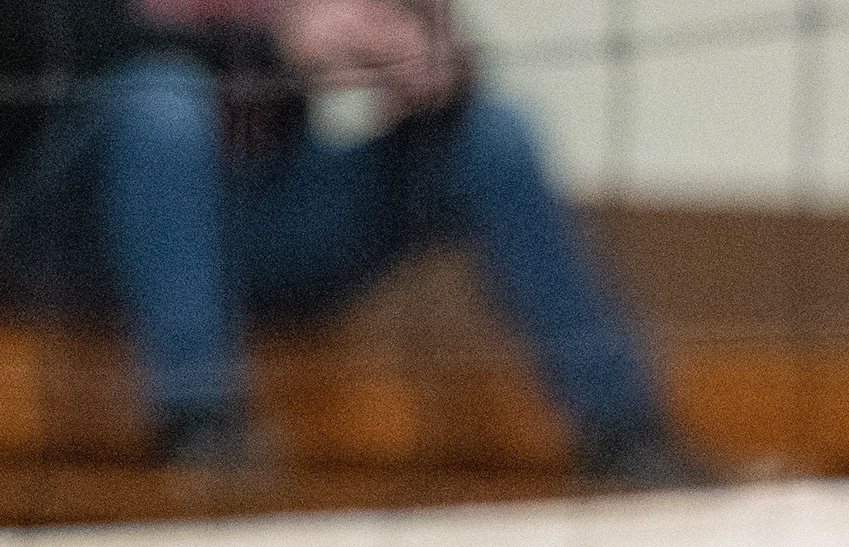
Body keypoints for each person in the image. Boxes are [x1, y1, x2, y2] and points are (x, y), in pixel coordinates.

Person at [0, 0, 701, 481]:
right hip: (69, 241)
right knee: (162, 105)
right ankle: (200, 423)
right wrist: (277, 48)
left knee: (492, 133)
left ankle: (629, 433)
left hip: (255, 232)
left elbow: (438, 55)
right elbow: (59, 65)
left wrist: (431, 69)